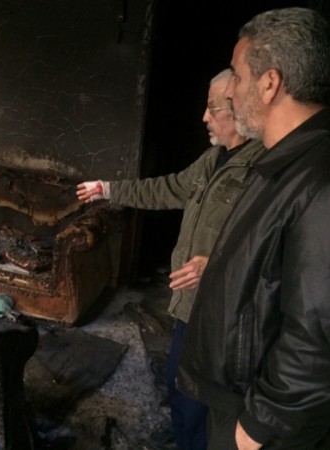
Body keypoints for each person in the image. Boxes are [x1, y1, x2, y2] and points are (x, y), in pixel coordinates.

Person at [76, 69, 266, 450]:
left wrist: (215, 265)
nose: (204, 117)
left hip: (221, 313)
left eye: (213, 108)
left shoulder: (262, 169)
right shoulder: (213, 159)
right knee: (179, 386)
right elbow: (168, 188)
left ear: (239, 110)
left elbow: (267, 246)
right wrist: (108, 189)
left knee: (199, 400)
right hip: (189, 304)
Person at [177, 7, 330, 449]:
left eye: (239, 77)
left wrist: (262, 423)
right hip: (240, 396)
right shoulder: (282, 160)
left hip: (260, 419)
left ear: (269, 84)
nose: (231, 91)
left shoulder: (318, 180)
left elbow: (318, 327)